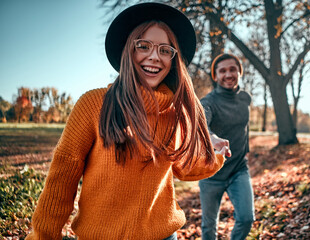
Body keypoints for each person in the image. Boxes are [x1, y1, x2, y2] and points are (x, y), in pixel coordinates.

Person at [26, 3, 229, 240]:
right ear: (128, 51)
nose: (155, 56)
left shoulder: (174, 112)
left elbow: (184, 166)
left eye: (165, 50)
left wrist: (215, 155)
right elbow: (62, 177)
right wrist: (43, 235)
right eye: (143, 46)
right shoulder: (94, 104)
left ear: (173, 60)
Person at [199, 53, 255, 240]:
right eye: (222, 71)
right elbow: (201, 125)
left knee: (246, 219)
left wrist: (245, 149)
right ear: (215, 76)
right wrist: (212, 138)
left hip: (238, 169)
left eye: (232, 69)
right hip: (211, 173)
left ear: (240, 72)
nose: (228, 74)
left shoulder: (245, 98)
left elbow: (244, 128)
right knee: (208, 227)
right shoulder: (208, 103)